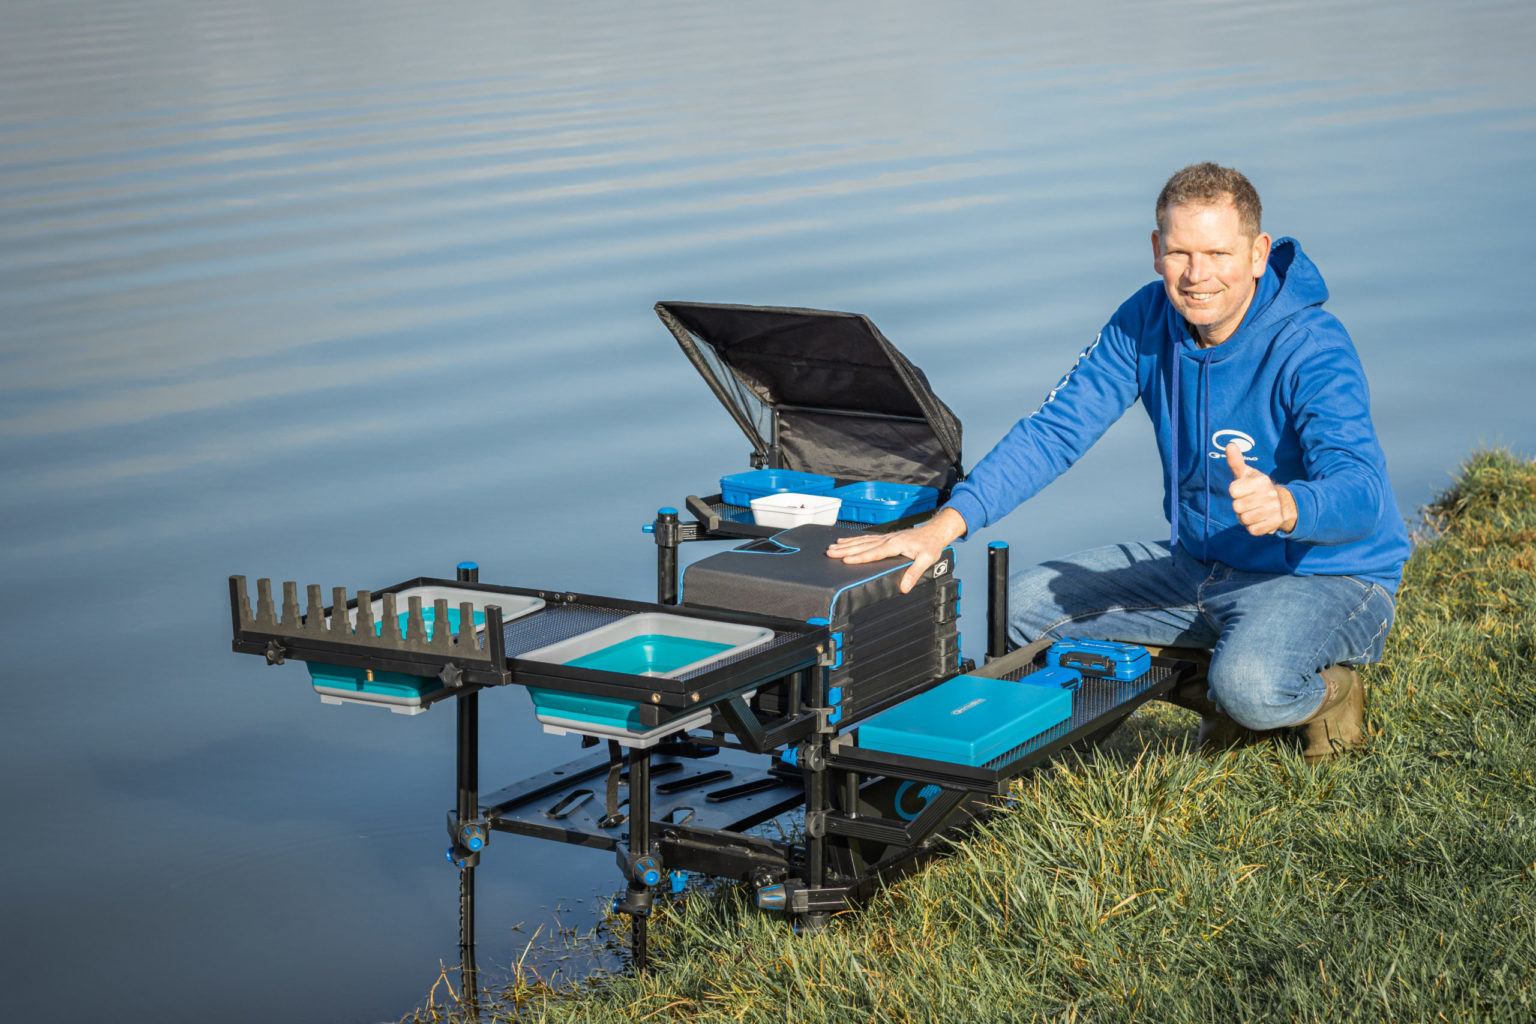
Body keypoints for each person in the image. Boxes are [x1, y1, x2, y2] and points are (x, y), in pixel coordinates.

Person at [827, 162, 1410, 762]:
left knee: (1256, 688)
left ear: (1258, 253)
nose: (1198, 275)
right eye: (1181, 252)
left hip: (1326, 574)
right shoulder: (1146, 319)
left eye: (1218, 253)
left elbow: (1361, 491)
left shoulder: (1312, 344)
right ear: (1157, 250)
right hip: (1204, 564)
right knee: (1023, 614)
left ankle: (1328, 694)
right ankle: (1216, 693)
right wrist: (943, 525)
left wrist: (1289, 504)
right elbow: (1055, 432)